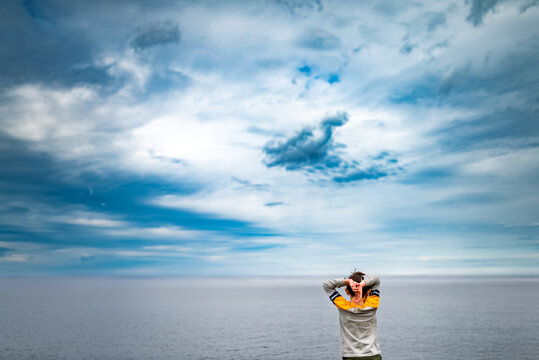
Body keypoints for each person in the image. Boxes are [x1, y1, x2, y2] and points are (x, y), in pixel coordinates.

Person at [323, 271, 381, 360]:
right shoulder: (372, 305)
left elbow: (327, 285)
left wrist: (348, 282)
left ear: (347, 291)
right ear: (369, 291)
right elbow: (376, 279)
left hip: (351, 356)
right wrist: (361, 284)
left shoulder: (344, 307)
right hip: (372, 355)